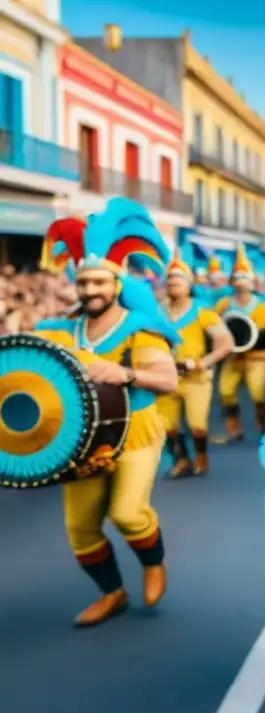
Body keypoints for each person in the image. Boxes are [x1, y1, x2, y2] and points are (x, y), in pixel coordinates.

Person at [33, 199, 180, 626]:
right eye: (84, 284)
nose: (91, 291)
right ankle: (112, 592)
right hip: (79, 441)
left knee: (128, 513)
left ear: (116, 285)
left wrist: (126, 372)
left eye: (99, 283)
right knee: (80, 528)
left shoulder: (139, 329)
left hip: (135, 432)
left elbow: (168, 380)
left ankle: (153, 563)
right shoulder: (60, 332)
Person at [157, 250, 233, 478]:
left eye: (178, 280)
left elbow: (225, 342)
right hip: (165, 376)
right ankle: (181, 460)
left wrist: (203, 362)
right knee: (167, 425)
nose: (173, 284)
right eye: (170, 280)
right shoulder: (157, 310)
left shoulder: (202, 310)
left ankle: (200, 456)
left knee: (197, 424)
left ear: (188, 285)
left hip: (196, 377)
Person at [213, 245, 265, 441]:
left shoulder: (261, 306)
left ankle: (262, 421)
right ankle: (234, 428)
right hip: (232, 356)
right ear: (232, 282)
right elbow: (213, 324)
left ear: (252, 282)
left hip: (256, 358)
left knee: (259, 394)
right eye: (238, 278)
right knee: (225, 390)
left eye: (245, 278)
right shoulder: (224, 304)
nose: (242, 283)